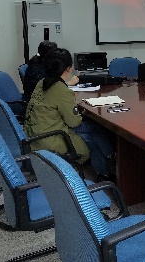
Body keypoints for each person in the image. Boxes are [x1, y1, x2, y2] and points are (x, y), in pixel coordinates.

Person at [24, 48, 115, 179]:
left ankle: (107, 164)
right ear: (69, 68)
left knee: (93, 129)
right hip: (51, 138)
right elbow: (74, 122)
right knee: (92, 133)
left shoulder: (42, 82)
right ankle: (109, 161)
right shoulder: (62, 91)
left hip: (35, 134)